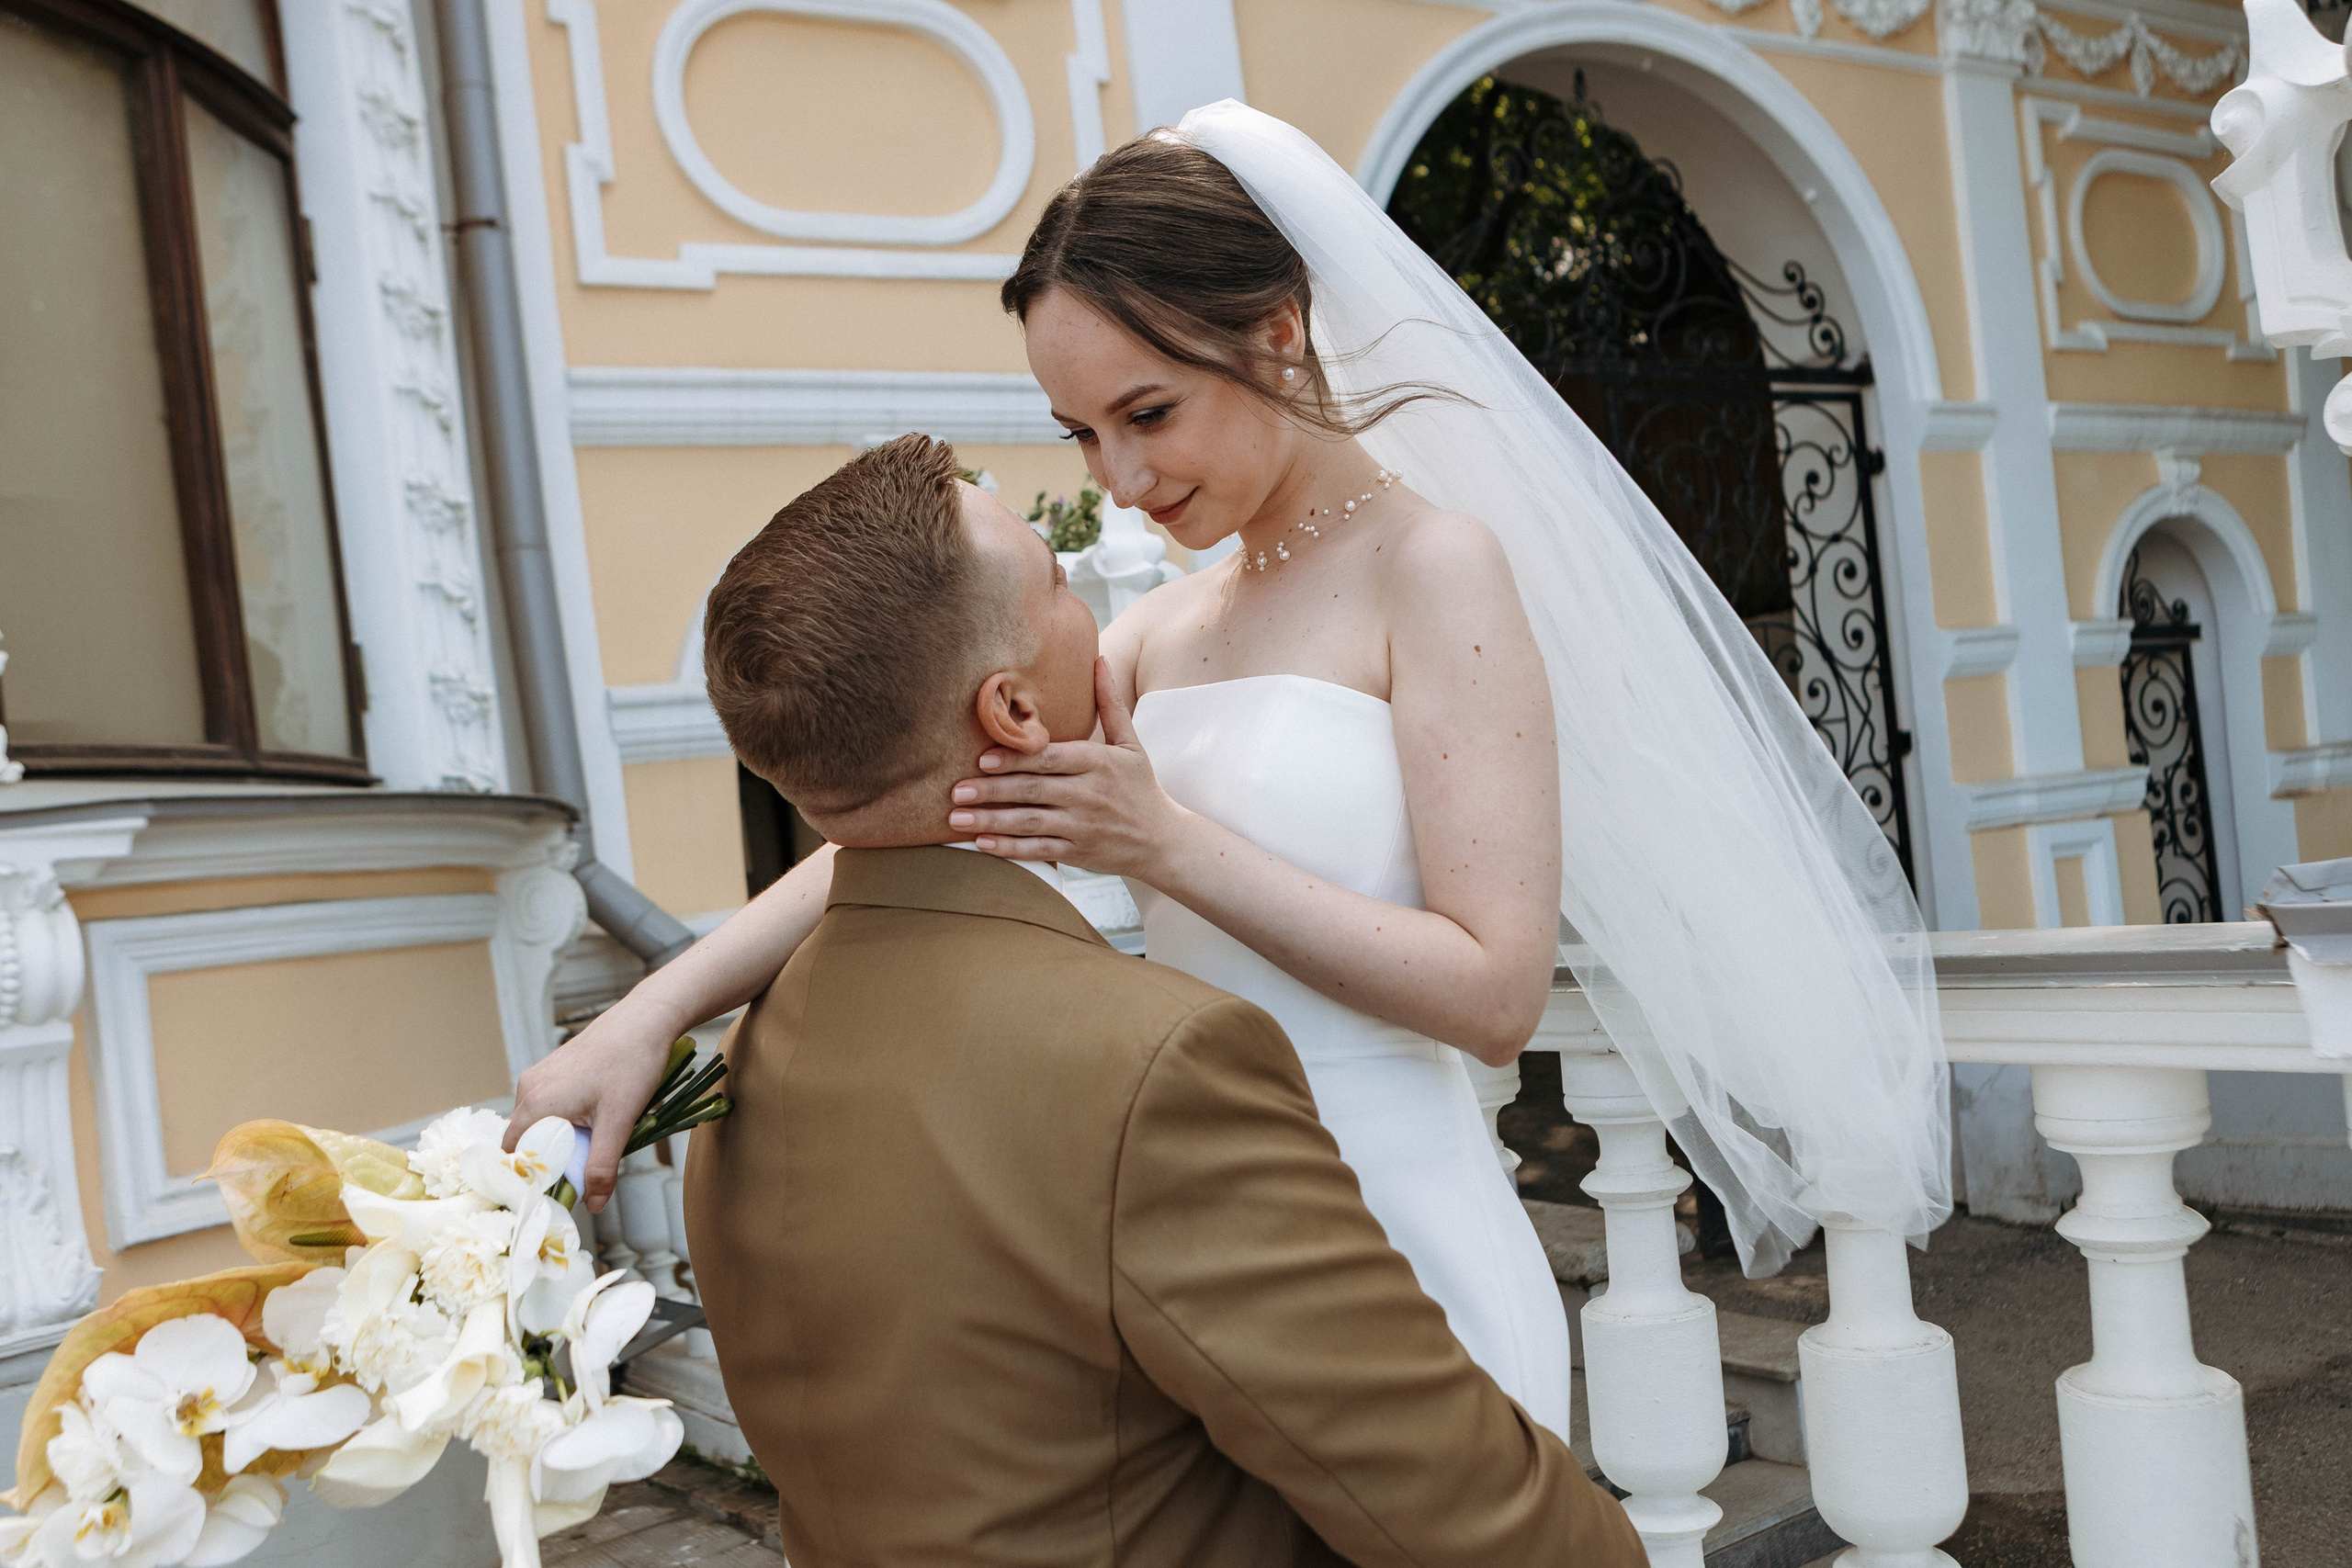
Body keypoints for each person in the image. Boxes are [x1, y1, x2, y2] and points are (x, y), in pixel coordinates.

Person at [520, 103, 1951, 1426]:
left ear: (1277, 334)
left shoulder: (1435, 570)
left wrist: (1164, 844)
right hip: (1199, 1246)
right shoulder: (1157, 628)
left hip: (1400, 1235)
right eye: (1082, 432)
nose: (1120, 479)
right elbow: (905, 821)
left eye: (1148, 414)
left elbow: (1495, 990)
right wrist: (654, 1007)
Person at [678, 433, 1644, 1566]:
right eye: (1056, 576)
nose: (1117, 489)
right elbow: (1488, 1525)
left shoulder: (746, 1077)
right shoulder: (1154, 1070)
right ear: (1012, 710)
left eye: (1139, 415)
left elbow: (903, 798)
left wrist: (655, 1013)